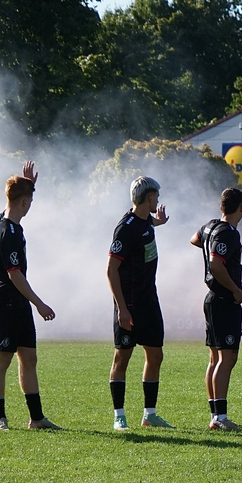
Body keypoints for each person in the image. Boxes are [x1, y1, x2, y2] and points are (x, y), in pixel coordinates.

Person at [0, 161, 60, 430]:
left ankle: (36, 419)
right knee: (3, 359)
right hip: (6, 302)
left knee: (28, 358)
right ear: (25, 202)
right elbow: (14, 274)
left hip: (18, 302)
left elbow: (17, 198)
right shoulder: (8, 232)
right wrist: (39, 304)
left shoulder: (1, 219)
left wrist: (29, 186)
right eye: (30, 201)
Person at [106, 176, 173, 431]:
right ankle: (119, 416)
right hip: (130, 305)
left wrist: (160, 222)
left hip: (149, 301)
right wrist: (122, 308)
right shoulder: (125, 228)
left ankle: (149, 415)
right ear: (150, 198)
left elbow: (147, 225)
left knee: (155, 355)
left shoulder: (146, 220)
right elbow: (111, 270)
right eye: (156, 196)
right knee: (121, 359)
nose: (158, 200)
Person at [191, 188, 242, 431]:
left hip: (211, 299)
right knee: (227, 358)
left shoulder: (210, 227)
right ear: (241, 208)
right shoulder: (229, 233)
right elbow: (215, 263)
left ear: (221, 206)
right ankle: (220, 417)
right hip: (223, 299)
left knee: (214, 358)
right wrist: (235, 289)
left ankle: (215, 415)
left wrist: (207, 246)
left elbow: (194, 239)